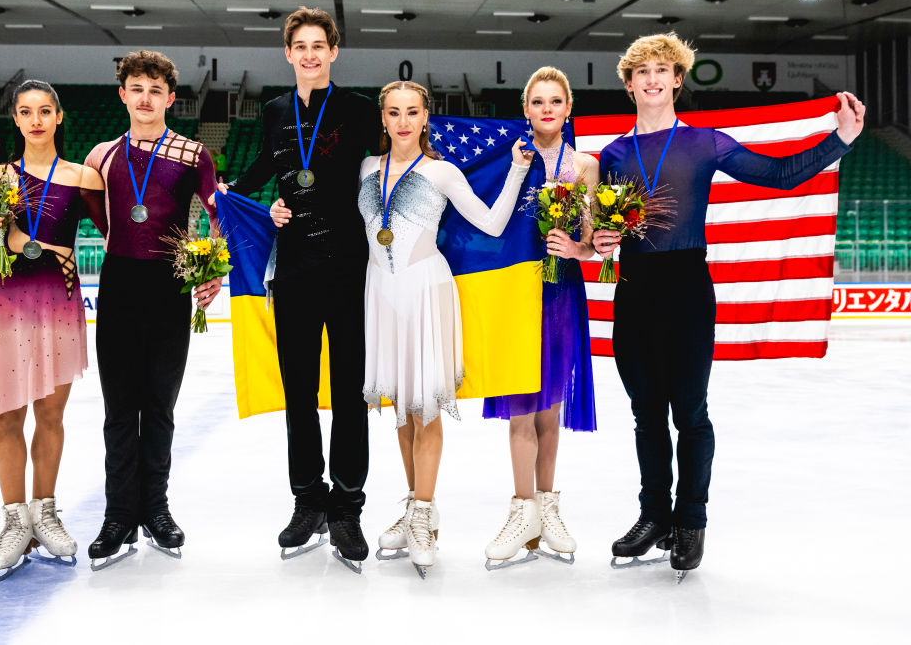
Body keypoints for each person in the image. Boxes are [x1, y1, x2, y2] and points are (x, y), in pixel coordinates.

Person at [593, 33, 865, 581]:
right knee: (646, 414)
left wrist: (841, 139)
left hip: (688, 286)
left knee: (689, 412)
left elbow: (780, 174)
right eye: (641, 71)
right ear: (629, 85)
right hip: (635, 287)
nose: (651, 78)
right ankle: (655, 517)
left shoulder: (706, 143)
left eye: (662, 69)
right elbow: (606, 228)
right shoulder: (614, 155)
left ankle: (690, 519)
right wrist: (603, 240)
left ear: (676, 80)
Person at [346, 80, 528, 577]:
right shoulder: (365, 169)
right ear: (382, 119)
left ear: (426, 117)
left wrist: (515, 169)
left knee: (425, 409)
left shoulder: (442, 172)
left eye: (412, 112)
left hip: (426, 290)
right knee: (401, 409)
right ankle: (415, 505)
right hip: (380, 292)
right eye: (393, 112)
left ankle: (424, 514)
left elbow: (491, 224)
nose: (403, 121)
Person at [222, 7, 380, 572]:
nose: (310, 55)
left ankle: (348, 505)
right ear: (288, 54)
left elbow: (392, 162)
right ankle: (307, 501)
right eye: (300, 47)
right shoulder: (272, 111)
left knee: (348, 393)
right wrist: (242, 200)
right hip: (293, 270)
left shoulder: (360, 110)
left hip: (349, 266)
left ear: (334, 52)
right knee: (298, 392)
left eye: (320, 45)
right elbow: (264, 168)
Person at [84, 50, 222, 569]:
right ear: (123, 94)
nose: (145, 98)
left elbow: (216, 213)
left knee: (160, 405)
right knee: (119, 409)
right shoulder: (101, 156)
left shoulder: (192, 154)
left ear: (169, 97)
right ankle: (118, 514)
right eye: (136, 88)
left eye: (155, 89)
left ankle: (156, 510)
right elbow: (98, 213)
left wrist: (208, 270)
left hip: (169, 286)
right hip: (119, 282)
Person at [0, 80, 106, 579]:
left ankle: (45, 513)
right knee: (8, 418)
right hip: (5, 303)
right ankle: (13, 521)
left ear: (60, 117)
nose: (36, 120)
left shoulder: (84, 178)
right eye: (26, 112)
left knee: (50, 415)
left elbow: (116, 233)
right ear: (16, 120)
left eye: (45, 110)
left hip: (58, 304)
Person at [481, 67, 598, 569]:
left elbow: (596, 240)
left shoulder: (586, 165)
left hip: (559, 294)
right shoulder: (510, 159)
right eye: (537, 102)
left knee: (549, 405)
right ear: (525, 110)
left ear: (567, 108)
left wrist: (575, 247)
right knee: (519, 407)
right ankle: (521, 508)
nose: (546, 109)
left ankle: (548, 508)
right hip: (513, 292)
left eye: (555, 101)